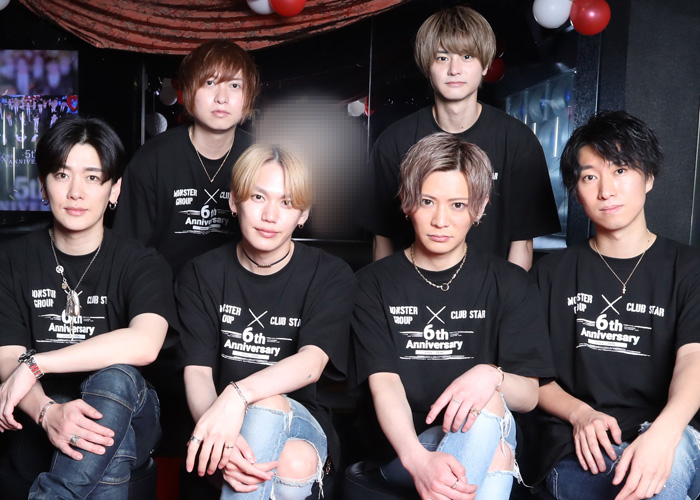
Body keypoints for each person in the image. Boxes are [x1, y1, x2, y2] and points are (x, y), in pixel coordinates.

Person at [352, 132, 555, 500]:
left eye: (458, 205)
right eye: (427, 201)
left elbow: (527, 396)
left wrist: (490, 375)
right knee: (496, 453)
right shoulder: (373, 283)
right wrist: (418, 460)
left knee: (488, 404)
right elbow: (385, 385)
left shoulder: (510, 282)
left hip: (490, 427)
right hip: (404, 448)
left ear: (479, 208)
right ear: (407, 201)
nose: (440, 220)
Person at [0, 115, 176, 499]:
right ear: (43, 185)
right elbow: (6, 356)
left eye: (92, 177)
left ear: (115, 189)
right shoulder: (11, 260)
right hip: (43, 411)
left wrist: (37, 364)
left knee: (116, 377)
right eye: (62, 175)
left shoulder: (142, 262)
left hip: (137, 409)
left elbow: (145, 344)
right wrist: (47, 411)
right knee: (106, 440)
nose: (76, 192)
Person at [532, 110, 700, 500]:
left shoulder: (689, 268)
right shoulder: (550, 274)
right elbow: (529, 377)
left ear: (649, 177)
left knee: (664, 472)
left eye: (621, 170)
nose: (606, 190)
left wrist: (664, 433)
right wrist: (579, 414)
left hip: (670, 435)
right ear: (576, 190)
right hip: (579, 450)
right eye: (590, 176)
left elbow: (694, 358)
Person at [177, 143, 357, 499]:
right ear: (234, 201)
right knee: (292, 462)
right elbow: (197, 371)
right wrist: (222, 440)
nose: (270, 215)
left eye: (287, 203)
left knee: (267, 403)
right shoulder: (201, 273)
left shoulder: (330, 274)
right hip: (220, 423)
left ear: (303, 213)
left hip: (302, 420)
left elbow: (311, 363)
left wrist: (238, 394)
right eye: (258, 197)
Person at [364, 5, 560, 270]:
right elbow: (382, 239)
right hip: (410, 290)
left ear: (486, 64)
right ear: (427, 66)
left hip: (492, 292)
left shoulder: (518, 140)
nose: (454, 69)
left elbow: (522, 243)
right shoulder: (394, 141)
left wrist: (510, 296)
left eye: (467, 56)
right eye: (442, 57)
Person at [113, 39, 261, 275]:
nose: (222, 97)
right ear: (190, 91)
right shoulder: (152, 160)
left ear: (248, 97)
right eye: (210, 83)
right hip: (163, 290)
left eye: (234, 85)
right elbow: (127, 252)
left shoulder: (262, 160)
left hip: (240, 291)